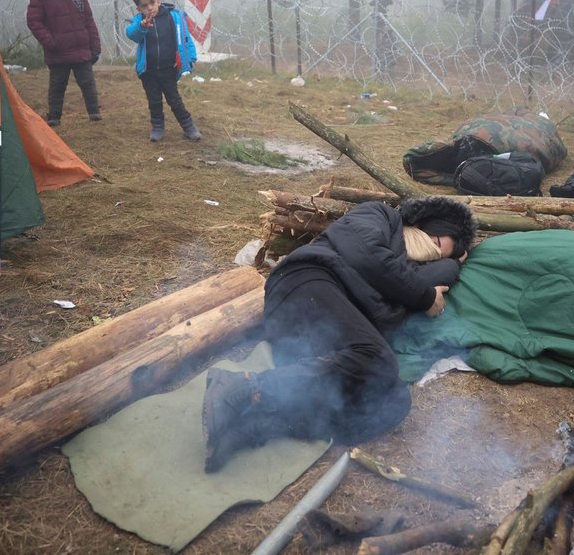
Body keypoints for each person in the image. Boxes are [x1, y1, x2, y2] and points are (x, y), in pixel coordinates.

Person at [201, 195, 477, 472]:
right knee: (377, 359)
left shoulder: (407, 272)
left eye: (439, 256)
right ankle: (244, 386)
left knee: (394, 401)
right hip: (307, 282)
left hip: (324, 335)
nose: (431, 253)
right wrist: (425, 296)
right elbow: (367, 256)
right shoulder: (379, 216)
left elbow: (413, 280)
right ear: (422, 224)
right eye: (435, 243)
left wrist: (450, 265)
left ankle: (252, 427)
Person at [26, 0, 102, 126]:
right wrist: (50, 42)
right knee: (57, 87)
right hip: (58, 52)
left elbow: (90, 23)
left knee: (88, 84)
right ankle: (54, 117)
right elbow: (34, 22)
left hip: (82, 51)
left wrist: (95, 47)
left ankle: (94, 113)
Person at [125, 0, 200, 142]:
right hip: (149, 70)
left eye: (152, 3)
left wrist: (191, 57)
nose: (150, 8)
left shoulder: (173, 17)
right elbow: (132, 34)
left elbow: (185, 37)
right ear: (139, 9)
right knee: (154, 101)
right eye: (145, 6)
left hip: (168, 69)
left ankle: (188, 126)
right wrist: (142, 26)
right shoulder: (139, 21)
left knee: (174, 100)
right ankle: (157, 128)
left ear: (158, 1)